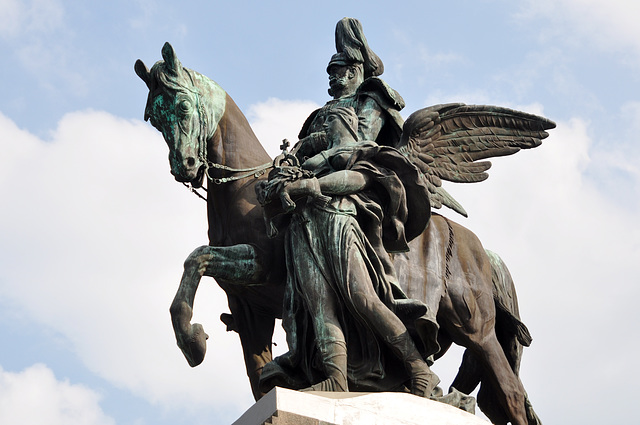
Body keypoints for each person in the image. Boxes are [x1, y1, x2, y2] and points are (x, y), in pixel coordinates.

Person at [258, 107, 440, 396]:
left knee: (364, 299)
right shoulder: (312, 158)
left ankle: (419, 369)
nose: (320, 129)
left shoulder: (362, 149)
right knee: (320, 308)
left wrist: (310, 184)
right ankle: (336, 378)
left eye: (326, 122)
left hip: (339, 221)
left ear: (344, 121)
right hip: (303, 228)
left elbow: (361, 180)